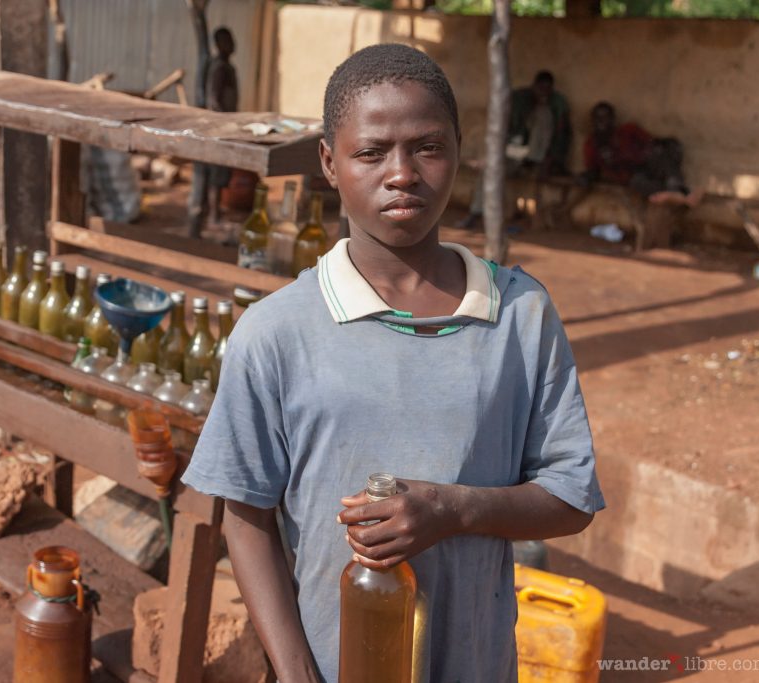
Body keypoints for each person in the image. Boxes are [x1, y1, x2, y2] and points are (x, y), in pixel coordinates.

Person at [181, 43, 604, 682]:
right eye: (372, 152)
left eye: (427, 147)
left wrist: (455, 510)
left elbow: (570, 498)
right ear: (329, 161)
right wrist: (298, 675)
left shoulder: (518, 314)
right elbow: (247, 518)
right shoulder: (275, 334)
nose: (402, 173)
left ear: (459, 152)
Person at [460, 70, 572, 228]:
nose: (543, 93)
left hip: (539, 156)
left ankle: (534, 160)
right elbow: (501, 129)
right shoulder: (518, 99)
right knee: (489, 170)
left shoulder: (557, 103)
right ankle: (476, 212)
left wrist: (551, 160)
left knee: (543, 114)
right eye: (541, 89)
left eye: (547, 89)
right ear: (534, 86)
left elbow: (562, 134)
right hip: (513, 151)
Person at [581, 102, 702, 208]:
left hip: (649, 165)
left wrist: (657, 149)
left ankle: (677, 190)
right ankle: (678, 194)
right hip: (634, 176)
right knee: (637, 182)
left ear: (612, 119)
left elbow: (652, 143)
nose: (601, 123)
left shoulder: (628, 130)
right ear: (593, 121)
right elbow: (593, 170)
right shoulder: (592, 144)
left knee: (658, 155)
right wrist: (587, 177)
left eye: (605, 118)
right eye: (597, 119)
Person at [206, 26, 239, 225]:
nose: (232, 44)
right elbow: (213, 99)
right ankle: (213, 214)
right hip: (220, 126)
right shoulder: (219, 68)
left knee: (222, 172)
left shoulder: (228, 66)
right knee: (216, 173)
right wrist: (222, 123)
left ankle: (216, 211)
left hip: (227, 124)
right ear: (218, 45)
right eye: (227, 41)